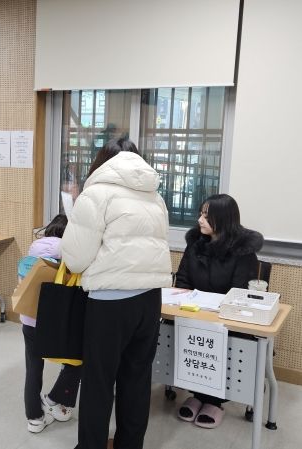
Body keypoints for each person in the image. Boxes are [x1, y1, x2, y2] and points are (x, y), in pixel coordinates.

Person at [60, 138, 172, 449]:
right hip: (150, 299)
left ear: (101, 162)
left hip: (110, 302)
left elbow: (75, 259)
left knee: (98, 382)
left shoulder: (96, 194)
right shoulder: (155, 196)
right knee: (137, 379)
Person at [175, 194, 263, 428]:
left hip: (228, 321)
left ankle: (214, 401)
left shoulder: (243, 252)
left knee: (218, 338)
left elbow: (240, 295)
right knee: (186, 334)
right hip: (194, 313)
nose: (199, 220)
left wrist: (214, 312)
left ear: (223, 219)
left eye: (206, 216)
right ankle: (197, 394)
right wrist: (186, 302)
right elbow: (182, 278)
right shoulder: (195, 244)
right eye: (200, 214)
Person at [19, 214, 82, 433]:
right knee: (76, 360)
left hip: (29, 321)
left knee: (33, 369)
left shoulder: (33, 251)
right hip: (56, 321)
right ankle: (55, 399)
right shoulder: (68, 252)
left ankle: (34, 418)